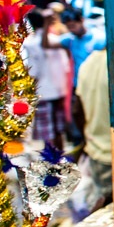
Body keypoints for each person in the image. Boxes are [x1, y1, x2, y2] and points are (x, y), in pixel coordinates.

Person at [70, 48, 113, 220]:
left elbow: (76, 109)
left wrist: (87, 137)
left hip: (96, 150)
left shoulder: (88, 63)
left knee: (104, 216)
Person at [22, 9, 71, 150]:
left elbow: (34, 70)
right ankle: (60, 159)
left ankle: (52, 161)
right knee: (58, 130)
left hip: (43, 91)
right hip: (60, 89)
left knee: (47, 132)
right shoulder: (55, 39)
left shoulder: (30, 43)